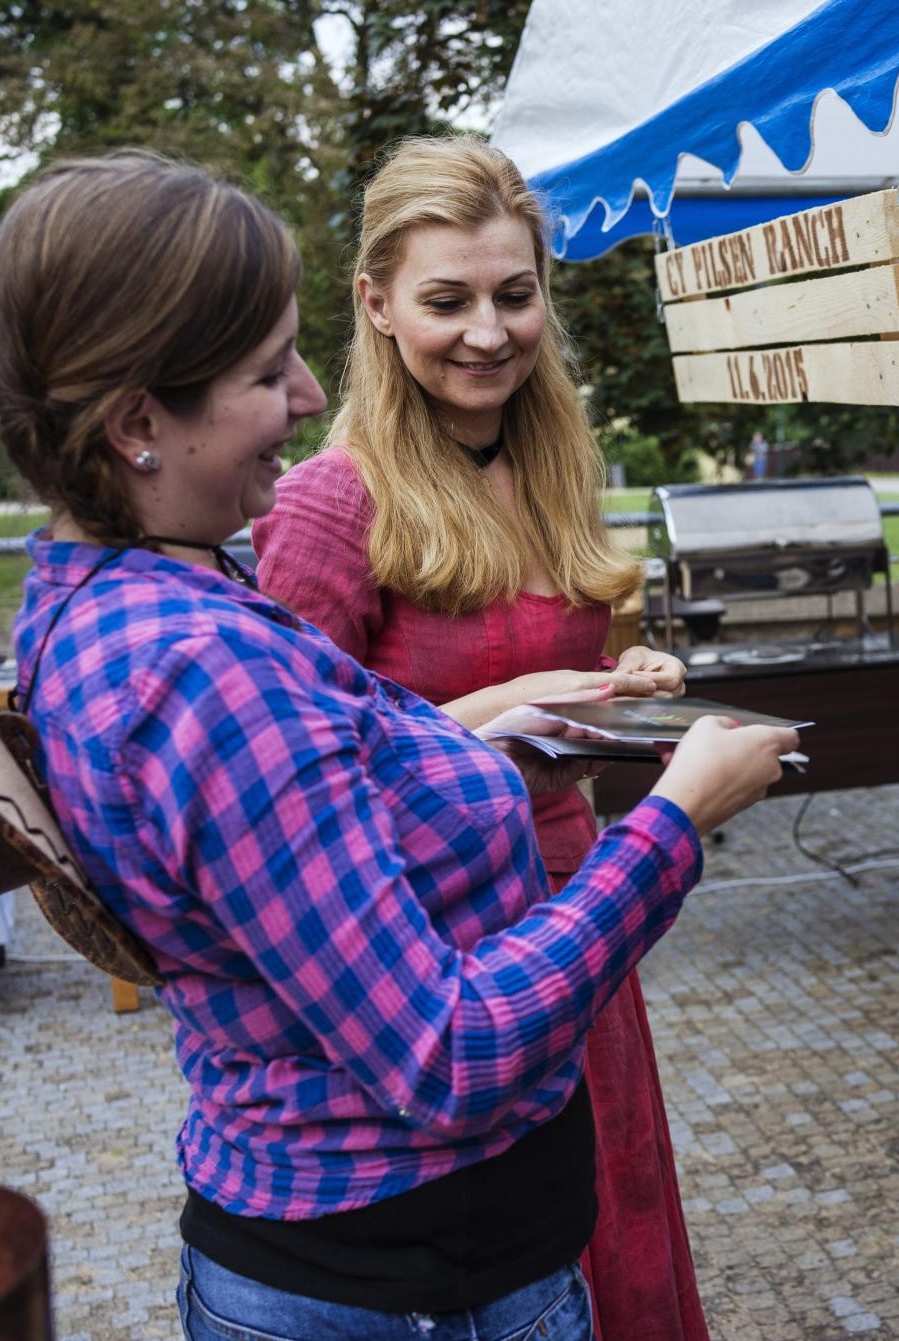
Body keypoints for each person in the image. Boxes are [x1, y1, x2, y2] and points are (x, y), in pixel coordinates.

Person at [0, 150, 797, 1341]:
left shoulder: (140, 603)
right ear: (139, 421)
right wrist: (674, 822)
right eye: (269, 371)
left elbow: (320, 788)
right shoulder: (203, 667)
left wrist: (510, 735)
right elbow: (446, 1054)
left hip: (408, 1246)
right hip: (406, 1276)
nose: (311, 396)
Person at [250, 136, 710, 1341]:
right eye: (447, 301)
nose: (489, 333)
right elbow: (292, 775)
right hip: (437, 951)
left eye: (515, 295)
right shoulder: (330, 501)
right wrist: (505, 714)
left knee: (610, 1219)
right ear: (376, 304)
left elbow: (549, 678)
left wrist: (623, 691)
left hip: (575, 906)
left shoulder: (546, 462)